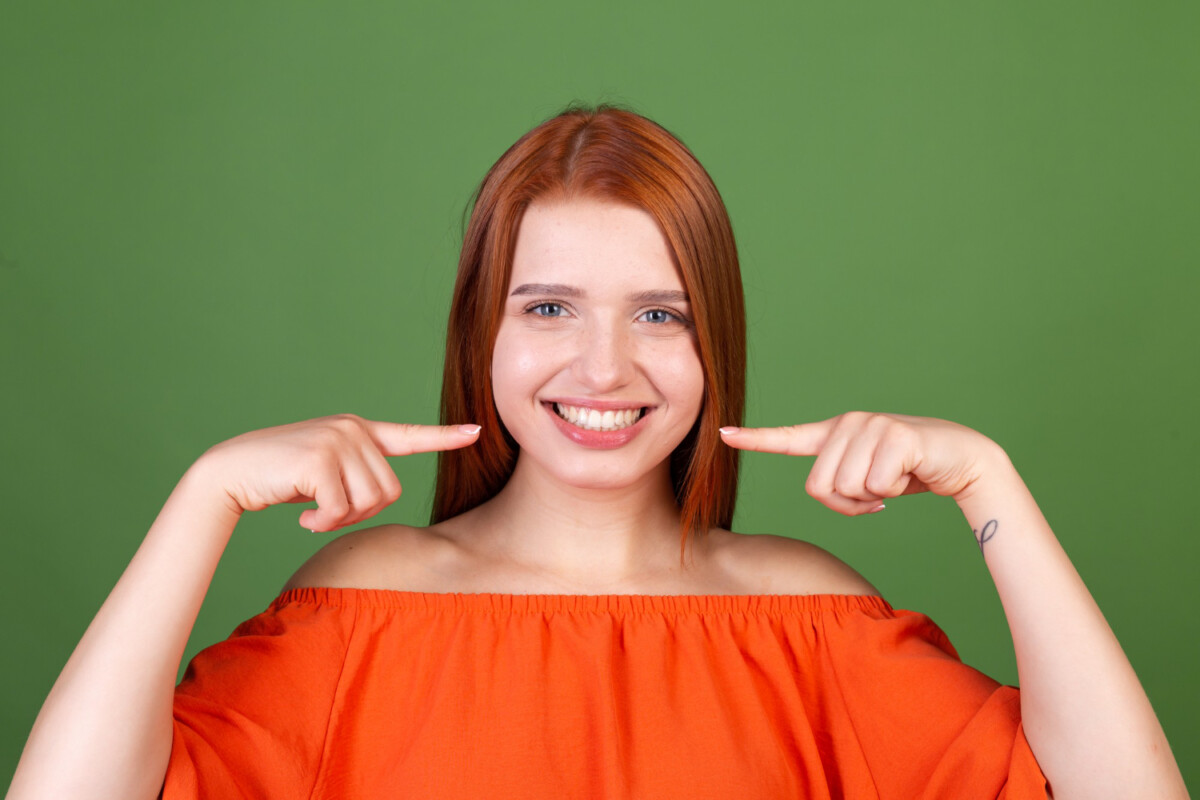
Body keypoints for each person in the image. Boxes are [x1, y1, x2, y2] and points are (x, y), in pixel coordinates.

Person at [8, 106, 1187, 800]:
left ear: (713, 338)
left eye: (660, 314)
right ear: (484, 329)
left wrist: (990, 478)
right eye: (550, 307)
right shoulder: (357, 607)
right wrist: (203, 496)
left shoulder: (812, 619)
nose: (606, 368)